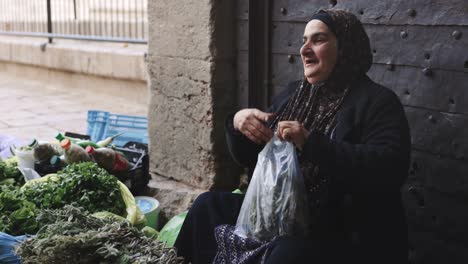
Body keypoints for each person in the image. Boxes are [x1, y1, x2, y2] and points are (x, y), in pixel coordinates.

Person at [175, 9, 410, 264]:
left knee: (286, 254)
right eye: (303, 41)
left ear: (345, 47)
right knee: (206, 206)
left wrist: (311, 143)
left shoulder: (377, 102)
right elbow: (252, 155)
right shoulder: (295, 94)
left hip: (338, 230)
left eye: (318, 40)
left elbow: (390, 167)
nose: (304, 50)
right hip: (279, 217)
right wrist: (238, 124)